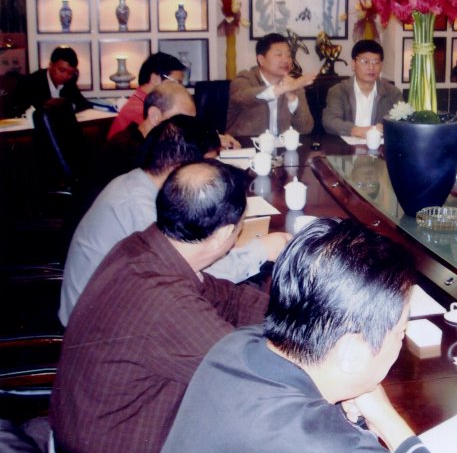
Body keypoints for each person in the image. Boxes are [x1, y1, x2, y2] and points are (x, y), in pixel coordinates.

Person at [157, 218, 445, 453]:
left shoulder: (237, 345)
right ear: (351, 353)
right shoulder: (336, 452)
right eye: (400, 331)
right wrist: (386, 420)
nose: (401, 340)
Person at [50, 159, 271, 453]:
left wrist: (294, 312)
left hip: (92, 431)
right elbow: (254, 374)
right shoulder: (169, 304)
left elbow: (228, 298)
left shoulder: (143, 247)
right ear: (224, 235)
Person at [59, 115, 288, 325]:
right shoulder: (139, 207)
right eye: (209, 165)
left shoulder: (139, 183)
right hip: (97, 324)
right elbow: (193, 274)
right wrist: (260, 251)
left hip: (120, 303)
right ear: (181, 169)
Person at [226, 33, 315, 137]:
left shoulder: (293, 85)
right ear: (261, 60)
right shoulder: (244, 79)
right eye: (279, 55)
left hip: (281, 146)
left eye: (289, 55)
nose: (286, 60)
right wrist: (282, 89)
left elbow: (306, 128)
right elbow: (245, 96)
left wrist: (293, 99)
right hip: (244, 145)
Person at [322, 39, 402, 137]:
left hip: (380, 145)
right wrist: (355, 130)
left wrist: (386, 129)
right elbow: (330, 121)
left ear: (381, 66)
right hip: (346, 145)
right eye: (365, 62)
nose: (371, 67)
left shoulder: (393, 93)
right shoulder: (338, 91)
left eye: (376, 62)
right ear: (353, 64)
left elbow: (401, 123)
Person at [107, 51, 187, 139]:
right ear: (154, 79)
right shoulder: (138, 111)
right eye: (177, 82)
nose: (181, 88)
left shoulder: (148, 103)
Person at [12, 46, 91, 115]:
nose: (66, 76)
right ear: (51, 65)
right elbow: (18, 109)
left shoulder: (70, 82)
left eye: (71, 73)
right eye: (62, 70)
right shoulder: (31, 82)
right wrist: (44, 105)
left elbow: (84, 104)